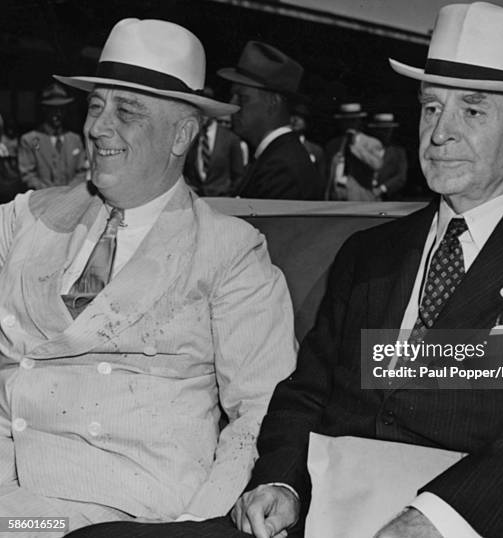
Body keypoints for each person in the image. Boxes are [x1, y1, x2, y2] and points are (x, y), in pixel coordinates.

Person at [229, 3, 503, 538]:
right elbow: (307, 393)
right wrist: (282, 483)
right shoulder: (369, 252)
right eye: (431, 108)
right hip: (331, 509)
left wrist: (439, 519)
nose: (439, 133)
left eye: (472, 112)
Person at [0, 17, 296, 536]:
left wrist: (197, 523)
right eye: (95, 106)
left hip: (115, 514)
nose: (96, 127)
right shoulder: (27, 218)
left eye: (126, 111)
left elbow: (261, 411)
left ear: (182, 134)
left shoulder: (229, 252)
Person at [218, 41, 320, 200]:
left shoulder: (281, 168)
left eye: (242, 98)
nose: (232, 105)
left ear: (273, 102)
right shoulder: (275, 157)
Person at [17, 82, 88, 189]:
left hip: (71, 198)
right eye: (53, 109)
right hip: (42, 200)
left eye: (61, 108)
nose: (58, 113)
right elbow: (28, 175)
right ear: (44, 109)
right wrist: (51, 194)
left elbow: (82, 171)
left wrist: (68, 191)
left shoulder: (74, 139)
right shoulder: (30, 140)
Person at [183, 87, 245, 197]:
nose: (202, 116)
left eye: (205, 111)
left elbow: (239, 176)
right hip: (197, 200)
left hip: (223, 201)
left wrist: (228, 196)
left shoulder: (231, 139)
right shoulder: (193, 138)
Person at [325, 102, 385, 201]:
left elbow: (377, 165)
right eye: (346, 121)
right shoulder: (334, 144)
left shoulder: (371, 143)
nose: (349, 125)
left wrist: (355, 146)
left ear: (359, 121)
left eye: (353, 120)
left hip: (360, 197)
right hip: (337, 196)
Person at [366, 113, 408, 200]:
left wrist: (381, 189)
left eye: (388, 130)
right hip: (364, 196)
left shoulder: (398, 152)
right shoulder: (365, 149)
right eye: (381, 130)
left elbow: (401, 177)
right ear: (375, 130)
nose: (384, 133)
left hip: (389, 198)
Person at [290, 102, 326, 197]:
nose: (295, 120)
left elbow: (321, 180)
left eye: (301, 117)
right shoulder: (280, 147)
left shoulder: (315, 150)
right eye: (293, 115)